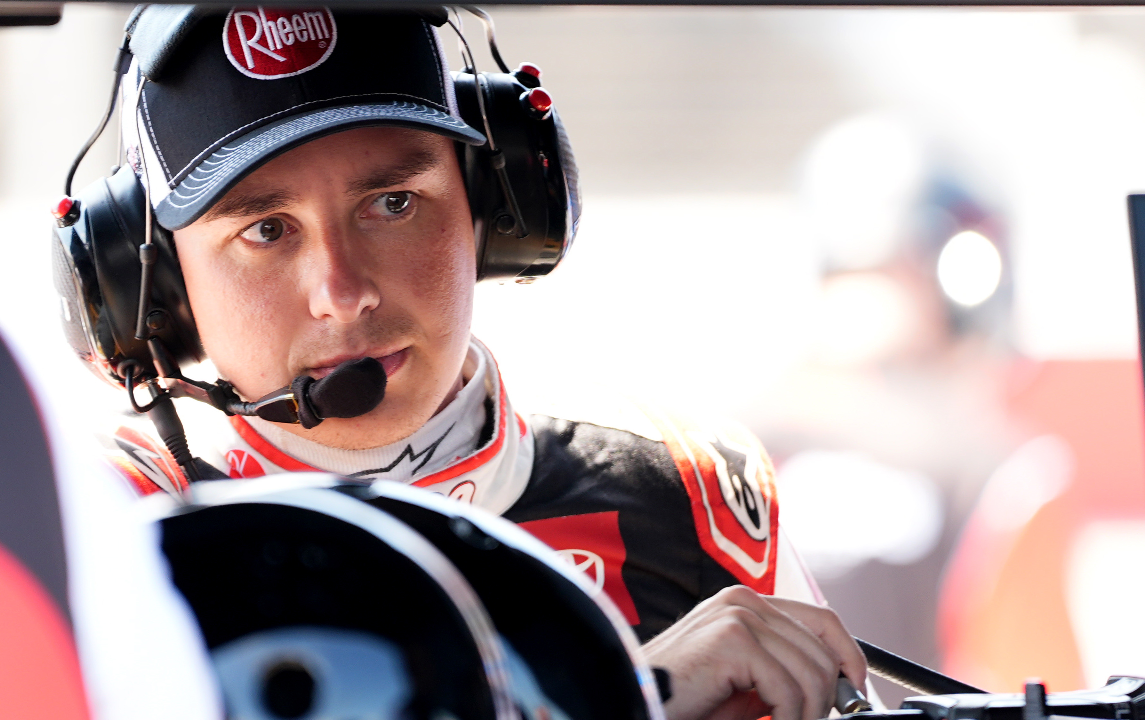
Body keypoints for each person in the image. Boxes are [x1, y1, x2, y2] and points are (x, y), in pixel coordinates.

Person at [67, 6, 868, 720]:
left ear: (497, 205)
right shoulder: (96, 535)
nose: (342, 294)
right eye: (268, 231)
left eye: (393, 204)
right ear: (153, 289)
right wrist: (627, 696)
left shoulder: (688, 490)